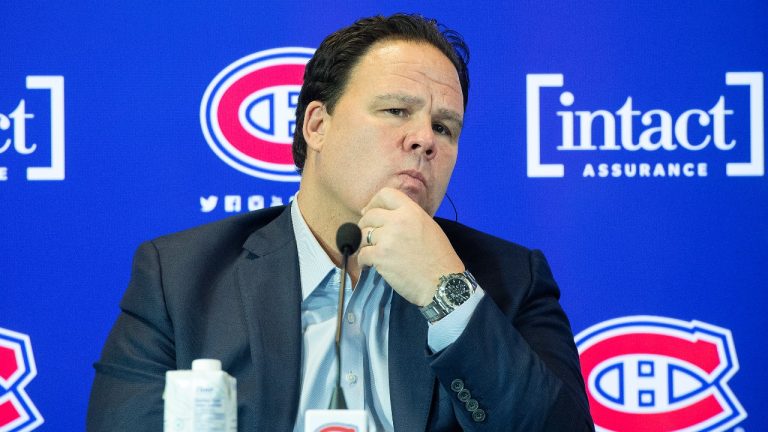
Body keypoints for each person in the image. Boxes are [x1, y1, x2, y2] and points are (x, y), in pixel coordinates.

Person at [87, 13, 594, 431]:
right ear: (317, 125)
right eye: (397, 110)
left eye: (444, 127)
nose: (425, 140)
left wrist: (447, 294)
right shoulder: (180, 278)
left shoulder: (508, 279)